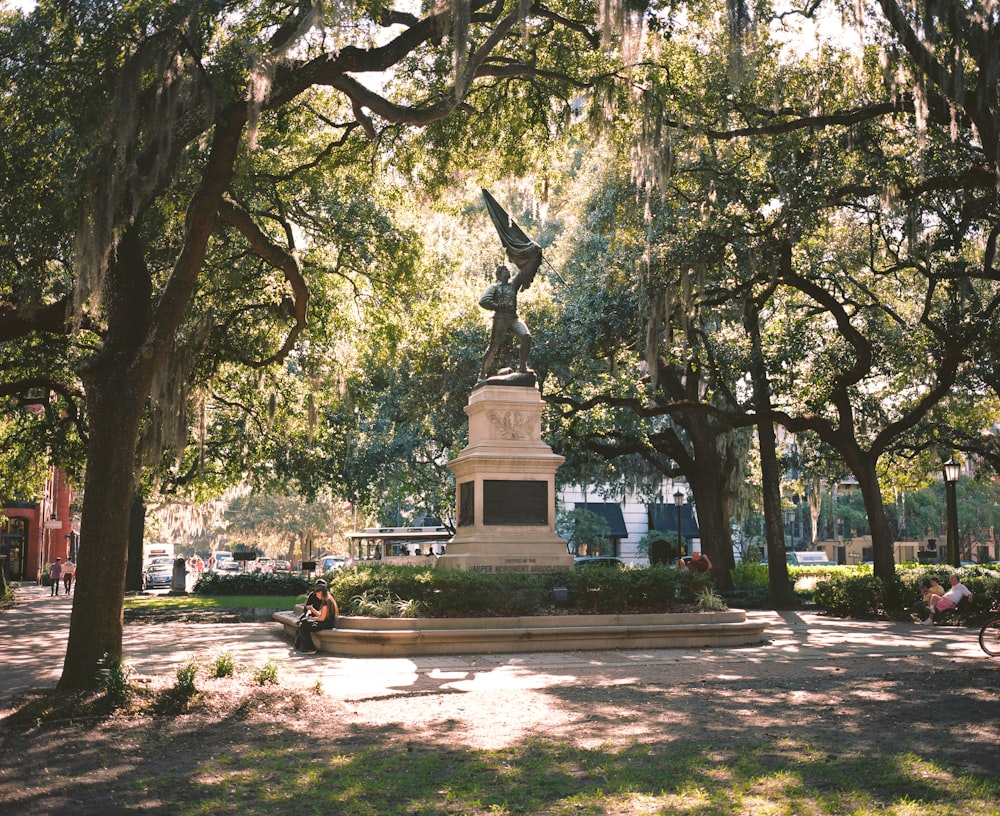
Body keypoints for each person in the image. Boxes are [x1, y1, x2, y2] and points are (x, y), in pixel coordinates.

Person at [479, 264, 532, 380]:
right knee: (493, 346)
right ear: (500, 273)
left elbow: (524, 271)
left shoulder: (513, 285)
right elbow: (483, 301)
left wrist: (528, 256)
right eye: (506, 270)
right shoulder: (494, 287)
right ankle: (482, 375)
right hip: (500, 319)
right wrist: (497, 306)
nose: (509, 271)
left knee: (526, 336)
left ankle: (522, 366)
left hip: (513, 318)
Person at [295, 582, 338, 654]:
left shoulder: (326, 603)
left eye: (317, 593)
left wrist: (313, 619)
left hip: (326, 624)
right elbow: (321, 615)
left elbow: (322, 618)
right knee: (303, 622)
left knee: (303, 625)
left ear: (321, 592)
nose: (316, 595)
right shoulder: (327, 601)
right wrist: (312, 610)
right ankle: (307, 647)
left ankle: (309, 648)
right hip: (325, 623)